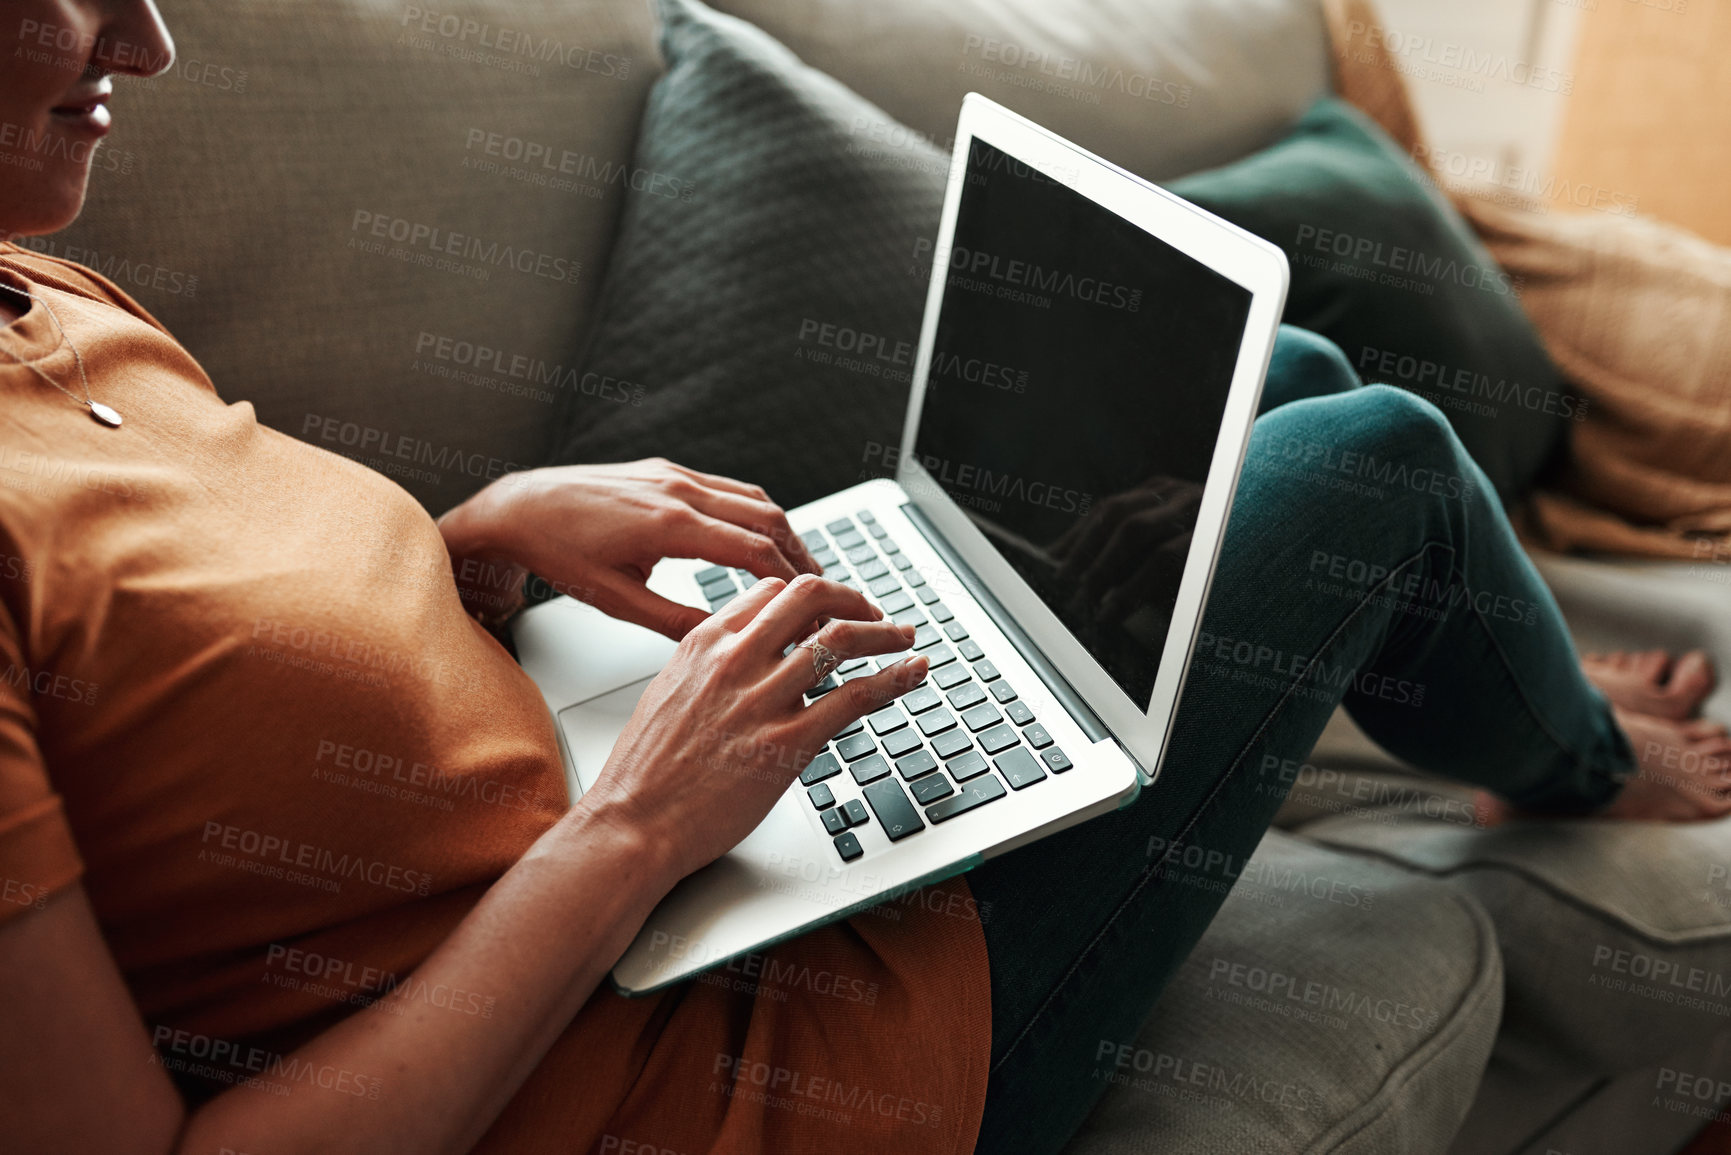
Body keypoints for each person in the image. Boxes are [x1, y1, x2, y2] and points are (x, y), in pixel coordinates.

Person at [2, 4, 1728, 1155]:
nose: (145, 40)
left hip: (683, 843)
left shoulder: (43, 292)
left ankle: (1490, 713)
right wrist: (633, 836)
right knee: (1378, 460)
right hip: (745, 1068)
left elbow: (210, 690)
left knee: (1283, 384)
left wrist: (481, 541)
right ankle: (1573, 765)